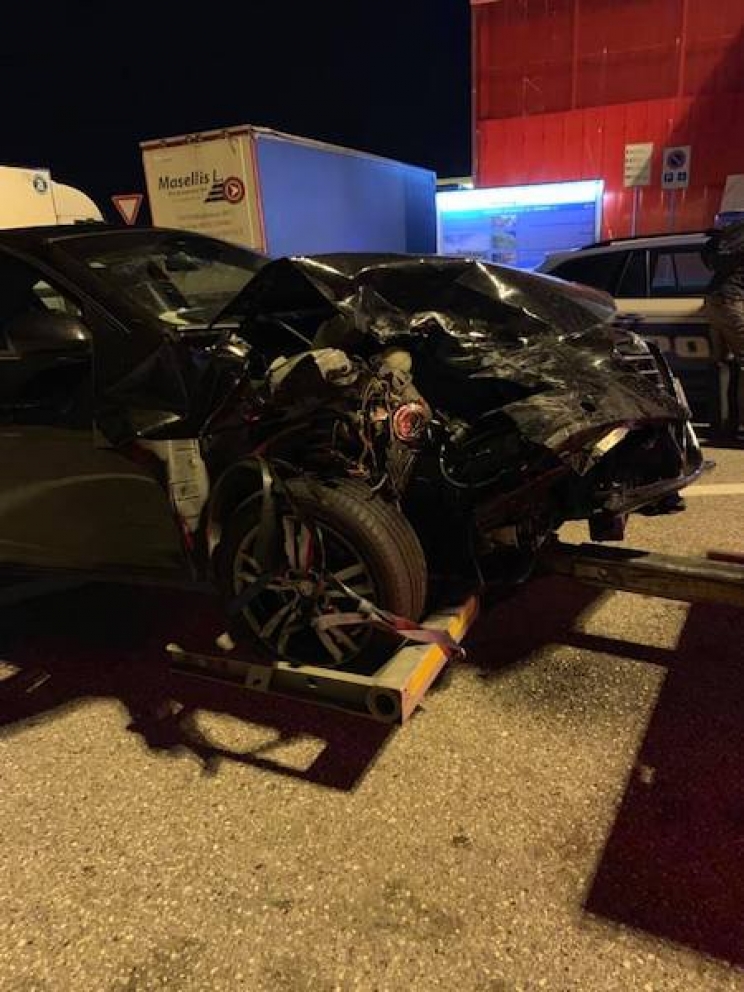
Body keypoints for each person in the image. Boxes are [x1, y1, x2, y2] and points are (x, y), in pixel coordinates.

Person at [704, 219, 744, 438]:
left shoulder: (733, 233)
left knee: (723, 364)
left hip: (715, 299)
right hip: (733, 300)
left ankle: (721, 426)